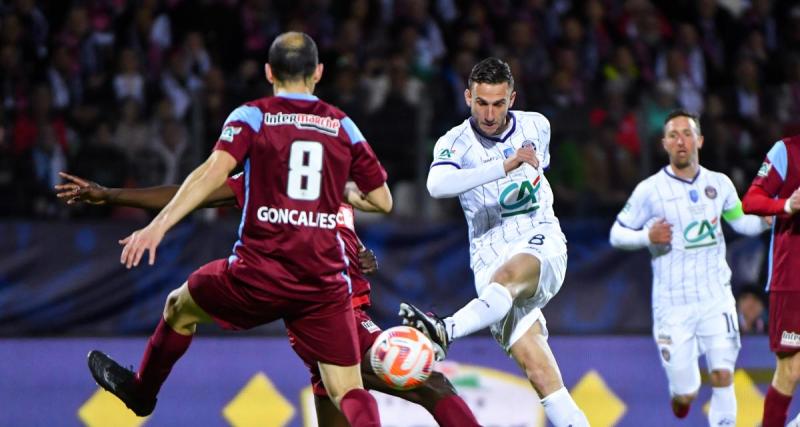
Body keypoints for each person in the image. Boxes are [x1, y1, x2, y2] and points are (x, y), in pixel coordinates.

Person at [86, 32, 391, 426]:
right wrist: (344, 191)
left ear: (268, 72)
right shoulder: (343, 126)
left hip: (258, 275)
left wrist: (157, 228)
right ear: (318, 73)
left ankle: (142, 393)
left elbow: (209, 174)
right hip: (322, 283)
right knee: (348, 389)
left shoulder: (252, 116)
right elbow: (383, 200)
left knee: (179, 307)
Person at [56, 171, 480, 427]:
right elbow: (195, 191)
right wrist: (112, 195)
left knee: (178, 306)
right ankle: (140, 391)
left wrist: (359, 254)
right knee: (430, 383)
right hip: (331, 311)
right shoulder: (271, 179)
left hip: (329, 311)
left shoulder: (339, 185)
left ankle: (140, 391)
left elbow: (343, 233)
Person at [397, 57, 589, 427]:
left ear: (512, 99)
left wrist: (517, 167)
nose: (489, 113)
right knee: (540, 373)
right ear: (468, 97)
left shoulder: (537, 126)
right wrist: (503, 166)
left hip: (539, 237)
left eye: (498, 103)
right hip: (486, 252)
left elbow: (538, 175)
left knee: (509, 276)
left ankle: (446, 329)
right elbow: (437, 186)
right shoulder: (454, 142)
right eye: (481, 102)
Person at [609, 109, 770, 425]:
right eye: (673, 135)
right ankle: (681, 395)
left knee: (723, 374)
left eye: (686, 134)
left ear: (700, 140)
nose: (680, 140)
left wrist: (769, 219)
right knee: (686, 393)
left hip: (716, 297)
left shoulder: (719, 184)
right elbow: (616, 234)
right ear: (664, 144)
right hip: (673, 305)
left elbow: (741, 223)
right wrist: (646, 236)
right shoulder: (650, 190)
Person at [741, 134, 800, 427]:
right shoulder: (786, 151)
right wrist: (786, 205)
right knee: (790, 371)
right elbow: (751, 200)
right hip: (793, 279)